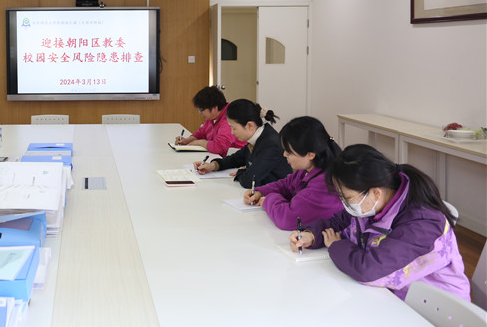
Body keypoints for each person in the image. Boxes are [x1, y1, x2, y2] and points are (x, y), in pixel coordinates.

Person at [289, 144, 470, 301]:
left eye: (348, 198)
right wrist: (311, 235)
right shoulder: (374, 204)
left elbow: (369, 270)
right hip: (389, 297)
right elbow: (340, 221)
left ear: (376, 192)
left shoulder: (422, 225)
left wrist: (336, 246)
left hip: (435, 313)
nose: (345, 204)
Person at [243, 116, 343, 229]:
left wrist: (268, 199)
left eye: (289, 152)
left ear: (310, 154)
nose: (284, 154)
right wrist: (260, 192)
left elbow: (287, 219)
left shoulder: (324, 184)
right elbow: (286, 184)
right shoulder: (309, 169)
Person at [194, 99, 291, 188]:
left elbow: (249, 181)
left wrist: (241, 171)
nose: (232, 132)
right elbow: (235, 159)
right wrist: (213, 166)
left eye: (234, 128)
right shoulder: (258, 136)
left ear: (250, 125)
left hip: (276, 195)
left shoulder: (270, 144)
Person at [175, 86, 247, 156]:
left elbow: (219, 148)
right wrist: (188, 140)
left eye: (201, 110)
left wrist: (200, 143)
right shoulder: (213, 116)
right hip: (216, 156)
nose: (200, 113)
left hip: (232, 159)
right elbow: (202, 133)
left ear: (214, 108)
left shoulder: (229, 119)